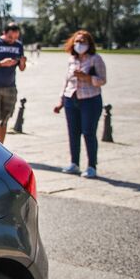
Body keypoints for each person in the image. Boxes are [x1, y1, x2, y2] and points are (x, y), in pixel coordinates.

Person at [54, 30, 106, 178]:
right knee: (73, 133)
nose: (79, 44)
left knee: (88, 132)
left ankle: (91, 166)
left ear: (89, 44)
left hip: (90, 99)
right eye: (77, 41)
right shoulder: (72, 59)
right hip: (72, 98)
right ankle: (74, 163)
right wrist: (61, 101)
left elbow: (102, 80)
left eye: (82, 41)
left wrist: (87, 78)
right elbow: (66, 81)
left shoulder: (96, 59)